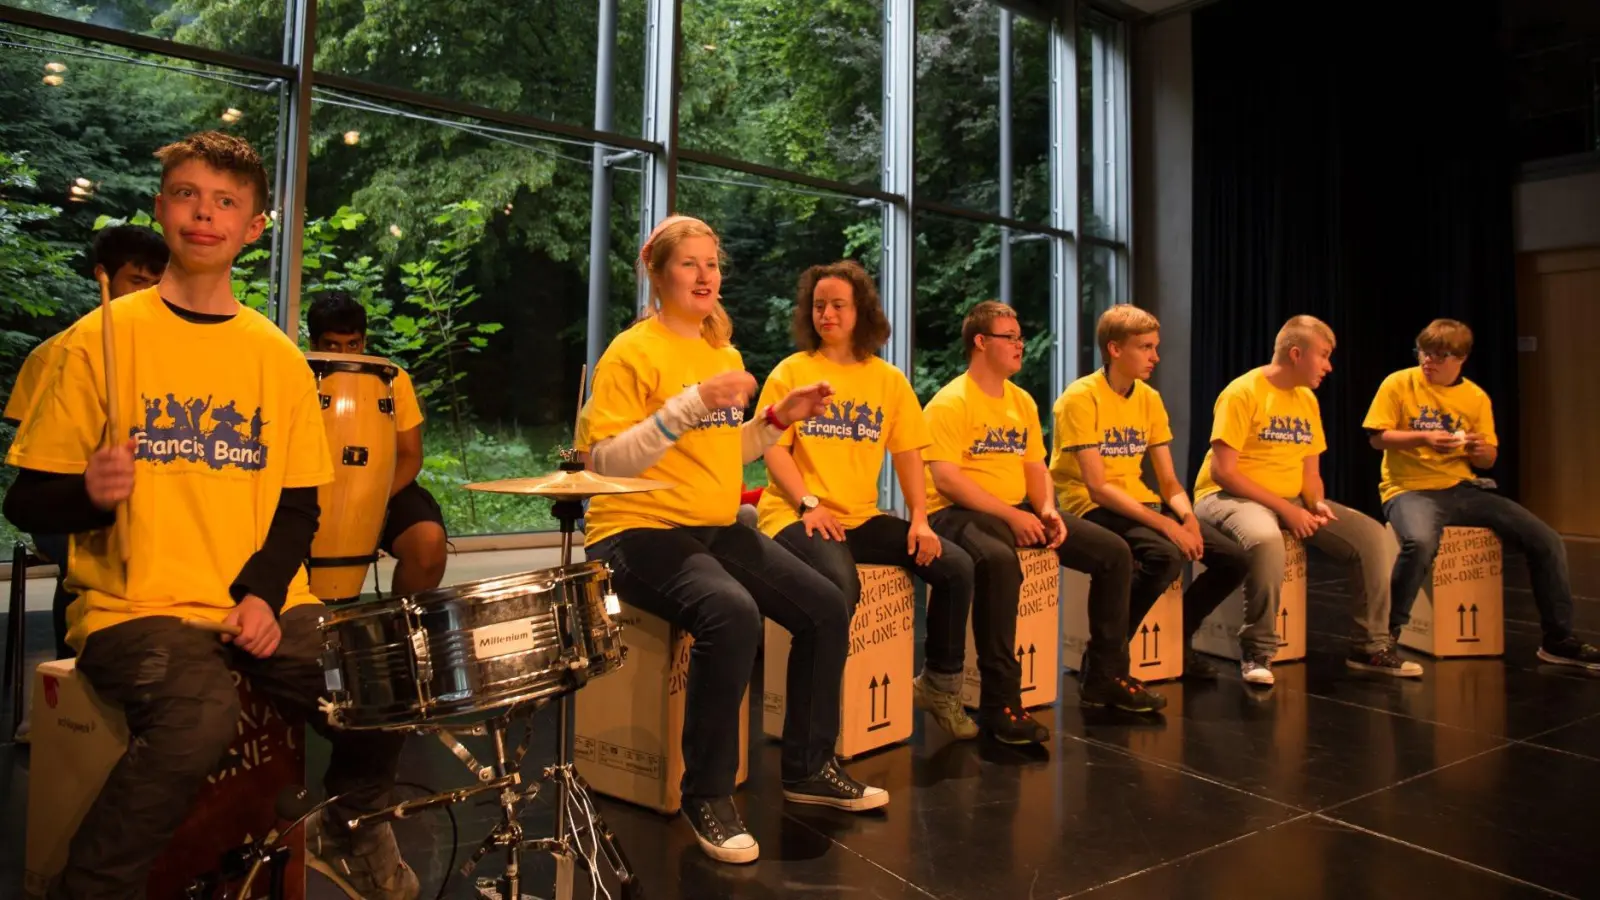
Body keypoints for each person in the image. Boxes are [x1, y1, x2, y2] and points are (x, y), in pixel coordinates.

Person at [2, 131, 416, 900]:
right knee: (200, 717)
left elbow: (300, 507)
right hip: (132, 608)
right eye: (188, 195)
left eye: (226, 201)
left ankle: (352, 826)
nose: (204, 213)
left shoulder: (276, 357)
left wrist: (262, 594)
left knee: (390, 674)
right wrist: (87, 492)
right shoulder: (96, 343)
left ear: (254, 227)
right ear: (161, 209)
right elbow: (24, 500)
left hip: (257, 599)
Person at [577, 215, 888, 866]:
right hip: (636, 532)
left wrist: (778, 420)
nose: (705, 275)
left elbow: (731, 450)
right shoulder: (633, 352)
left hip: (713, 526)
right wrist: (690, 403)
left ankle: (808, 768)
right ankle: (707, 795)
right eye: (690, 263)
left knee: (827, 604)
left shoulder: (723, 355)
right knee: (731, 610)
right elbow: (604, 461)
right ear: (657, 270)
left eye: (713, 263)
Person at [756, 260, 978, 740]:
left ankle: (940, 685)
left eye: (838, 305)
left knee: (956, 566)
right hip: (795, 513)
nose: (826, 314)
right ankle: (818, 727)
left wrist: (920, 519)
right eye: (818, 306)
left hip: (860, 517)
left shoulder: (888, 380)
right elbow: (773, 450)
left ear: (862, 312)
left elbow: (908, 456)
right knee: (840, 585)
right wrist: (808, 503)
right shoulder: (791, 373)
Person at [924, 300, 1161, 738]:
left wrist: (1048, 509)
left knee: (1114, 552)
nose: (1020, 345)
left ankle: (1104, 675)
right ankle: (1000, 702)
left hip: (1013, 508)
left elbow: (1036, 467)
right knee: (997, 562)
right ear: (980, 342)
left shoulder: (1022, 402)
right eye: (1009, 337)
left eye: (1019, 336)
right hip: (956, 513)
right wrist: (1012, 517)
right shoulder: (950, 402)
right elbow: (947, 481)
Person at [1193, 315, 1420, 685]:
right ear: (1296, 354)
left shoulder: (1306, 400)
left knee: (1373, 537)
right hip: (1226, 497)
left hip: (1290, 498)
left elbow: (1310, 472)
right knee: (1265, 539)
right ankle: (1258, 650)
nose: (1330, 366)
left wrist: (1315, 503)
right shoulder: (1243, 392)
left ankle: (1370, 647)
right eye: (1324, 356)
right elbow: (1224, 472)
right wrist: (1285, 509)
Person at [1364, 318, 1600, 670]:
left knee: (1546, 539)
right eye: (1424, 353)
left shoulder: (1474, 397)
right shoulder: (1399, 383)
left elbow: (1488, 459)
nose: (1428, 362)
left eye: (1439, 356)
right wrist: (1424, 438)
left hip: (1463, 488)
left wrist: (1476, 449)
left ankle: (1558, 639)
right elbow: (1377, 438)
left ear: (1461, 358)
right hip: (1409, 489)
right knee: (1420, 542)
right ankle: (1384, 637)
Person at [1050, 306, 1249, 682]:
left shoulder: (1149, 399)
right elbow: (1098, 487)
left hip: (1138, 501)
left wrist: (1187, 520)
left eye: (1155, 347)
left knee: (1234, 560)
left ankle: (1178, 638)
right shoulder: (1079, 398)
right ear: (1114, 349)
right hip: (1090, 506)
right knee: (1165, 554)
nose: (1155, 357)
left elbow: (1169, 482)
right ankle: (1107, 656)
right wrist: (1166, 526)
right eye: (1145, 347)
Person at [3, 225, 168, 667]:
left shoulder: (171, 353)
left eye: (156, 284)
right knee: (87, 564)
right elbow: (34, 486)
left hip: (145, 500)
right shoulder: (61, 353)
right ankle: (66, 686)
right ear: (103, 275)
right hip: (70, 507)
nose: (146, 294)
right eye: (137, 281)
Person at [305, 291, 449, 595]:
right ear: (313, 343)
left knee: (428, 542)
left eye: (353, 345)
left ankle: (399, 627)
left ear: (364, 341)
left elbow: (410, 456)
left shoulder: (393, 380)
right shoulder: (290, 374)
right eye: (333, 345)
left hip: (381, 486)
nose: (346, 354)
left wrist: (370, 500)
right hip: (303, 487)